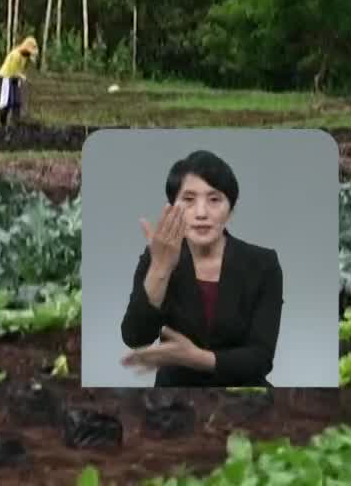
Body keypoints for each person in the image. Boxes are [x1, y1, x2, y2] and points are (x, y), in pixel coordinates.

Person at [119, 150, 282, 387]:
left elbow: (261, 359)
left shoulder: (263, 264)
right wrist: (161, 268)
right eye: (188, 199)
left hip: (245, 395)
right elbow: (135, 337)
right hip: (174, 399)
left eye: (214, 199)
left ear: (231, 210)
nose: (201, 213)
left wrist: (197, 358)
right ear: (173, 208)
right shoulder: (157, 256)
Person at [0, 36, 38, 127]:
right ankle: (3, 124)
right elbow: (12, 71)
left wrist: (22, 77)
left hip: (15, 78)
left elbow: (21, 69)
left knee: (17, 101)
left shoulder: (25, 57)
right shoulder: (15, 55)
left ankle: (15, 123)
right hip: (6, 77)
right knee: (6, 102)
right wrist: (22, 77)